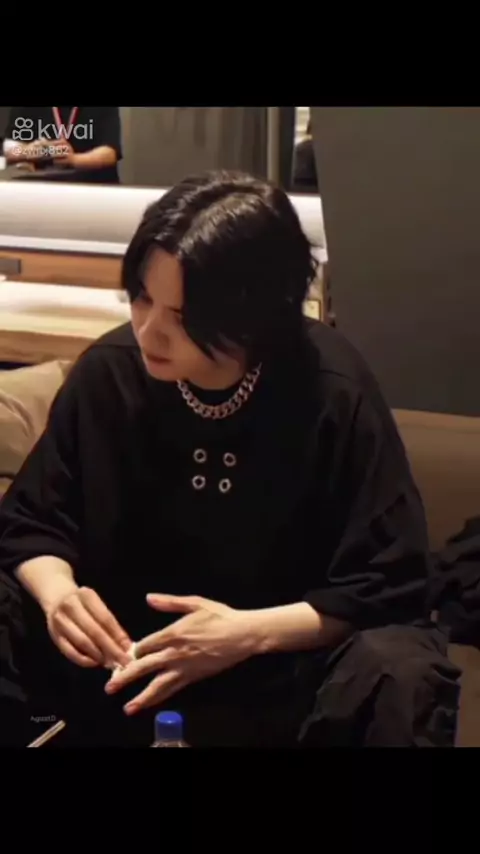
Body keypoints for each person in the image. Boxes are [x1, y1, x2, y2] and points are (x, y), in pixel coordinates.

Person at [0, 170, 459, 747]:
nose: (149, 332)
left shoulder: (330, 389)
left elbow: (389, 581)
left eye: (182, 316)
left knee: (399, 671)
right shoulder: (110, 374)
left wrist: (246, 634)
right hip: (123, 655)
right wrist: (60, 597)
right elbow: (32, 521)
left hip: (280, 664)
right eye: (142, 298)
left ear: (254, 314)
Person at [2, 106, 122, 184]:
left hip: (92, 189)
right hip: (40, 191)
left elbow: (109, 153)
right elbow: (10, 150)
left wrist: (73, 159)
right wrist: (32, 152)